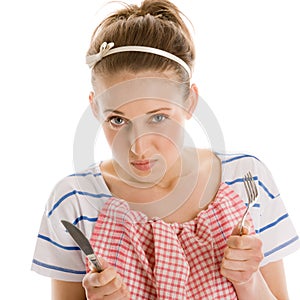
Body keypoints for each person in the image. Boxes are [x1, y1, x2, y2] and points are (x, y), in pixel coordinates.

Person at [31, 0, 300, 299]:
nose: (138, 147)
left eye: (158, 117)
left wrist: (248, 281)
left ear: (189, 103)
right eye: (117, 120)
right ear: (95, 108)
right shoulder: (74, 200)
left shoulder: (246, 178)